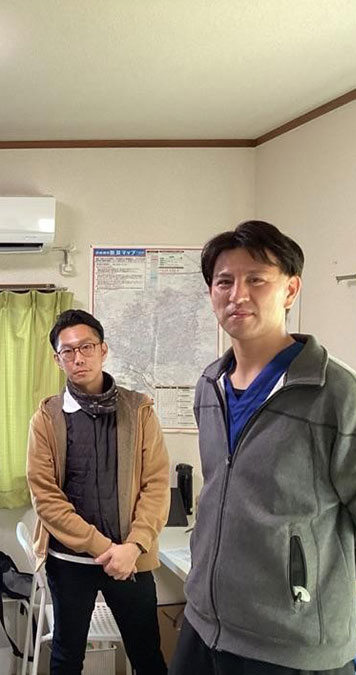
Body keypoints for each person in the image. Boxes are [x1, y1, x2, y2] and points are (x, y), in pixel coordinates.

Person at [170, 221, 356, 674]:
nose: (238, 295)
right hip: (203, 624)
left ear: (290, 290)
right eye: (224, 282)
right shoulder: (210, 386)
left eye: (256, 279)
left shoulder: (336, 393)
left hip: (288, 644)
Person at [27, 308, 170, 675]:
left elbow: (156, 484)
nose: (78, 358)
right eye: (68, 351)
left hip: (131, 558)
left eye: (86, 347)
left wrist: (134, 546)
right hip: (70, 563)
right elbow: (46, 498)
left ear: (103, 350)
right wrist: (104, 548)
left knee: (148, 657)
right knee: (66, 657)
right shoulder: (47, 417)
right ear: (57, 359)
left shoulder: (139, 410)